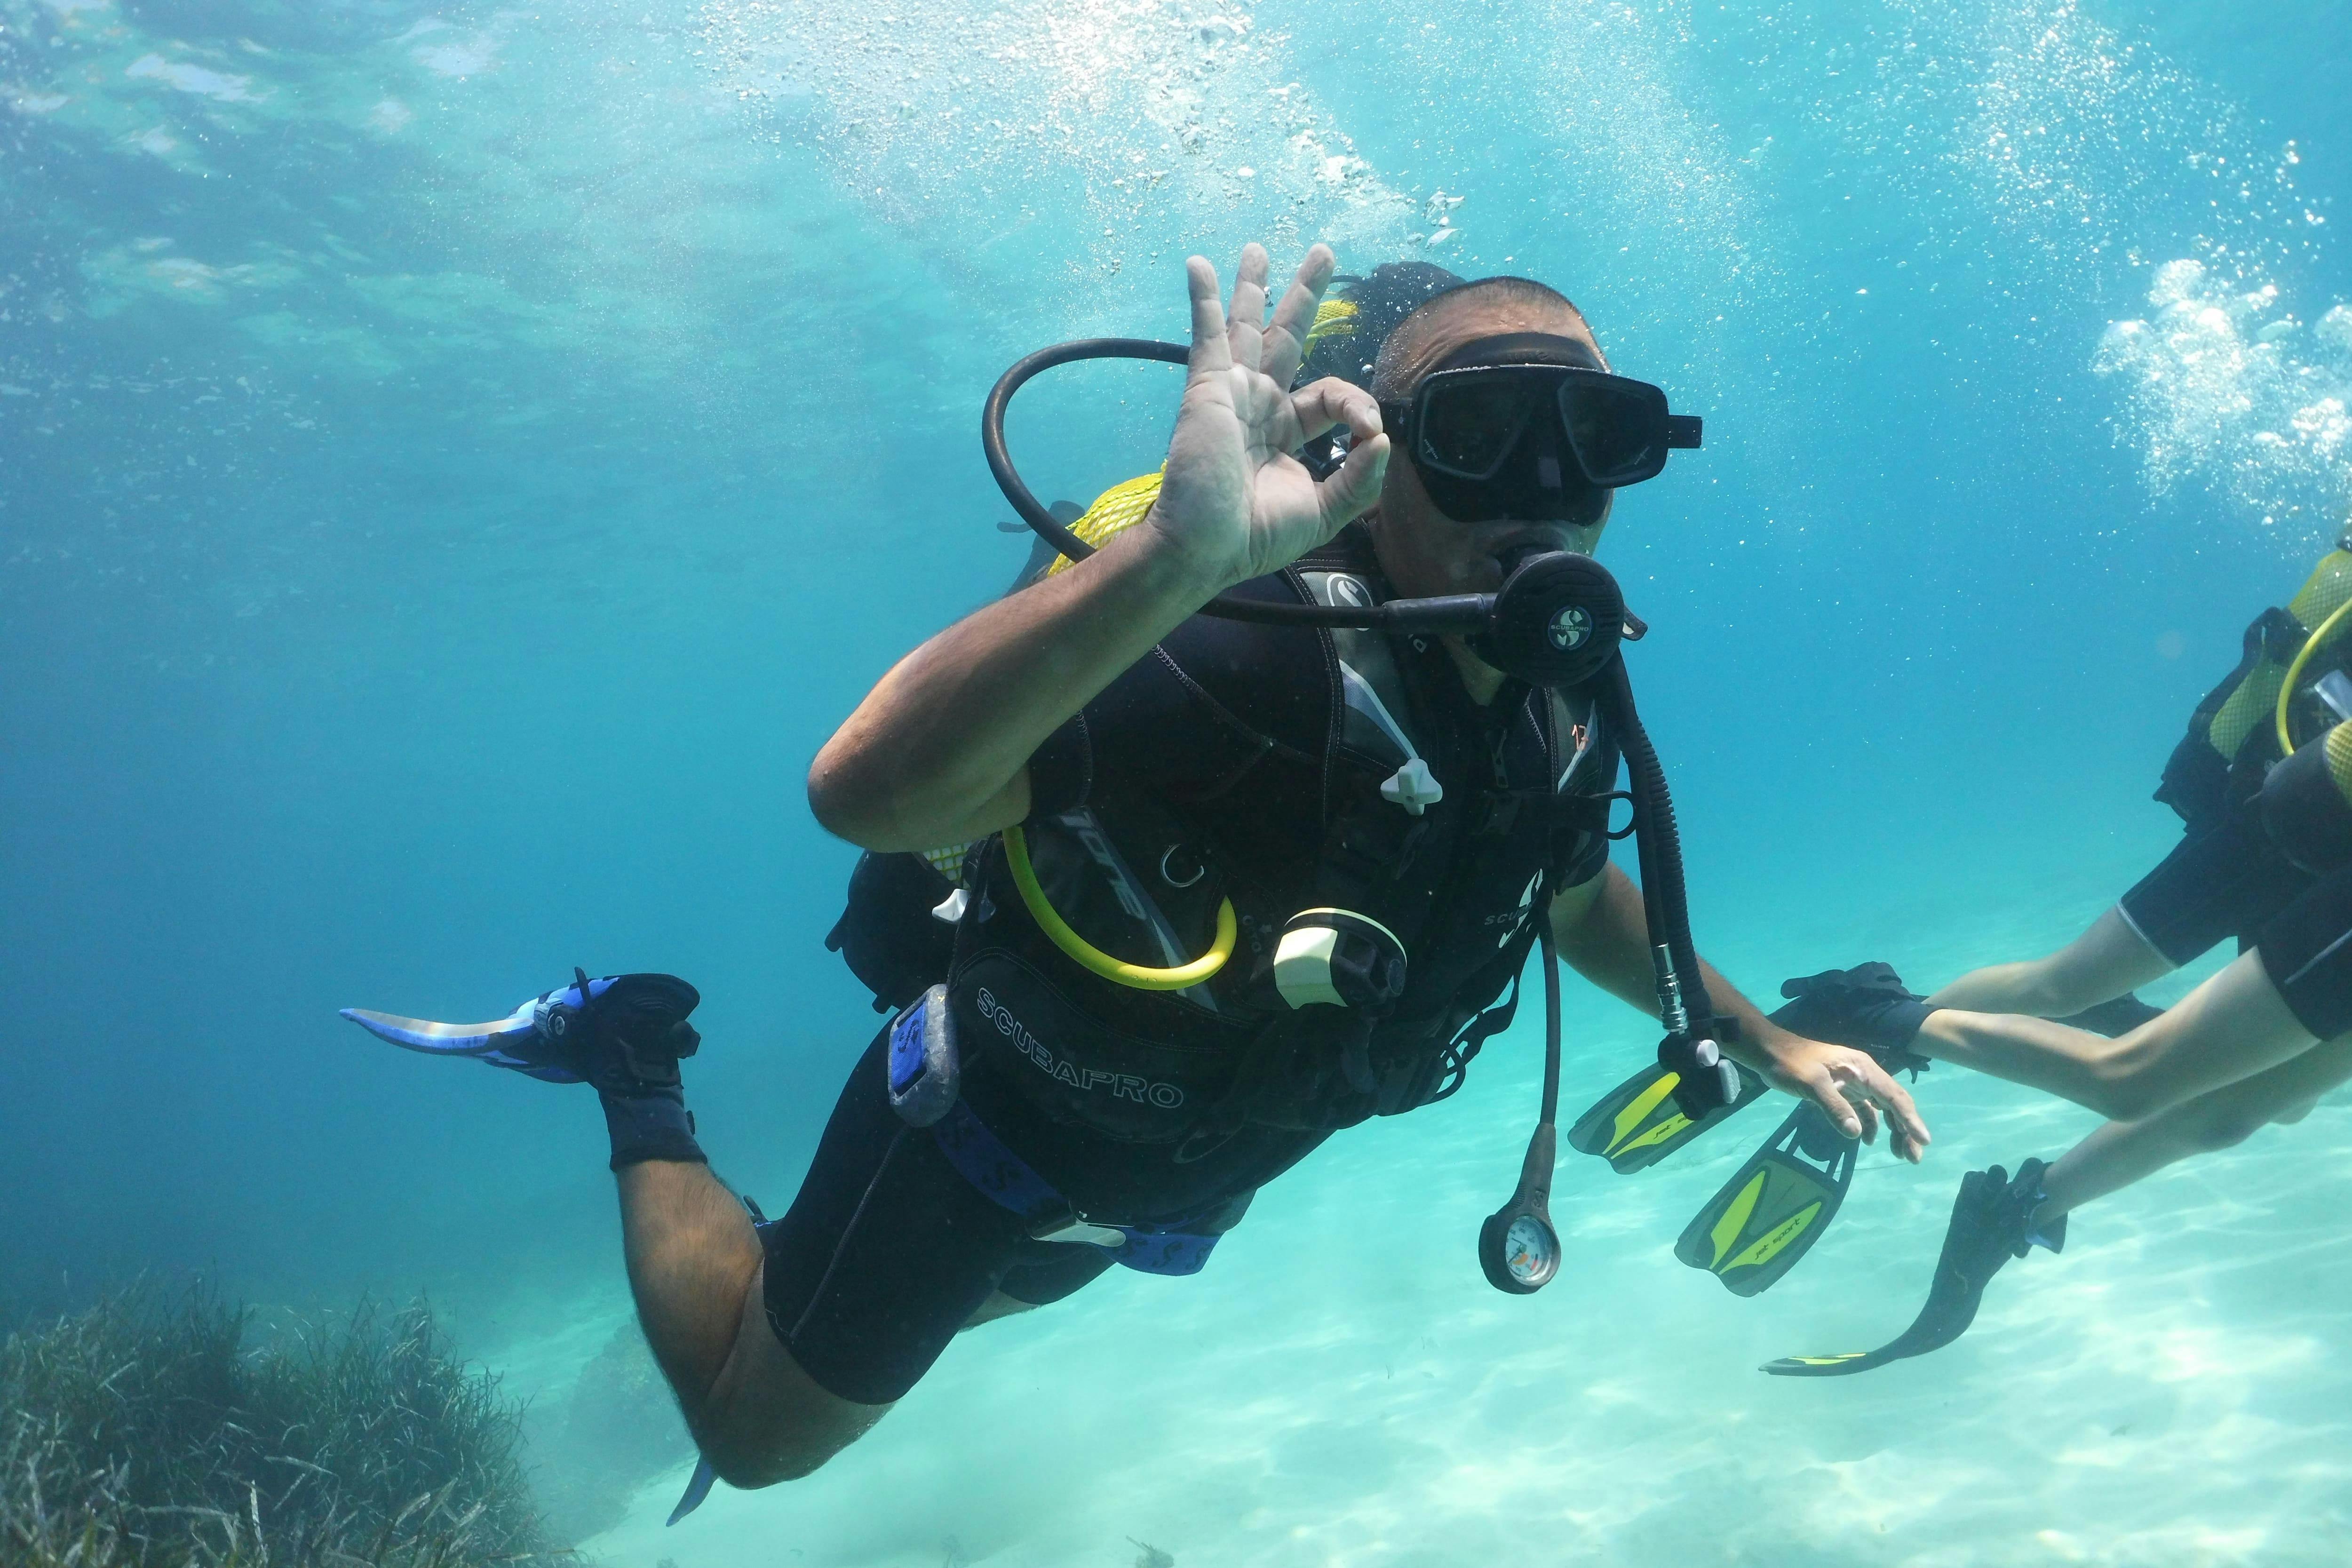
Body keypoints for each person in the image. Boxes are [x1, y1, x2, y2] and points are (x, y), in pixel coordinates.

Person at [346, 242, 1929, 1490]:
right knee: (758, 1433)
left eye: (1592, 441)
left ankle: (814, 1258)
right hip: (988, 1141)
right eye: (1475, 437)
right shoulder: (1225, 637)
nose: (1536, 493)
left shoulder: (1565, 697)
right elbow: (867, 793)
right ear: (1375, 444)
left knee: (954, 1313)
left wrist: (1759, 1030)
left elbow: (1578, 898)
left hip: (1194, 1174)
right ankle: (634, 1068)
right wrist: (1174, 565)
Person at [1764, 531, 2352, 1375]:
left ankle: (2016, 1210)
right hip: (2280, 822)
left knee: (2244, 1105)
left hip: (2324, 834)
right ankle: (1877, 1014)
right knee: (2079, 994)